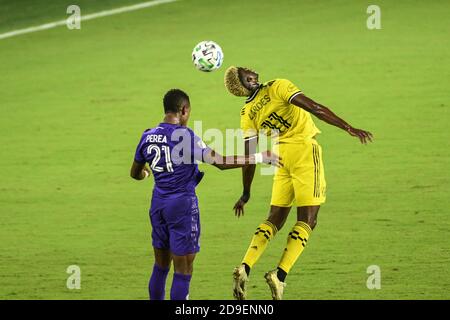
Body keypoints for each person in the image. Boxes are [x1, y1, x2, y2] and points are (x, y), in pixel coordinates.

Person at [224, 66, 373, 300]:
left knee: (275, 218)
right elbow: (314, 107)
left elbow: (248, 158)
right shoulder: (277, 86)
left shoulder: (247, 112)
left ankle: (245, 266)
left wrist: (245, 193)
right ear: (245, 83)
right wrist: (348, 127)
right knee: (308, 220)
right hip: (304, 152)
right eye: (246, 73)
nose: (252, 71)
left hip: (281, 156)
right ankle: (279, 276)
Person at [130, 88, 281, 300]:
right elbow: (220, 162)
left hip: (158, 205)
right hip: (182, 206)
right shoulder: (185, 136)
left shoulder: (147, 136)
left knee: (161, 265)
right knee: (183, 270)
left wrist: (147, 174)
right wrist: (258, 156)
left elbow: (135, 173)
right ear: (184, 110)